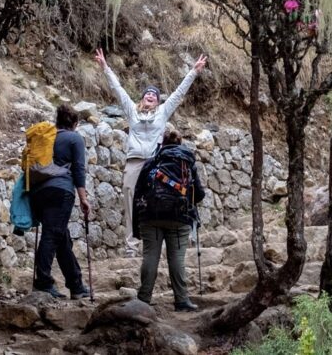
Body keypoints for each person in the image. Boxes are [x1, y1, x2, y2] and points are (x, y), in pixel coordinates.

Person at [95, 47, 207, 256]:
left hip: (156, 162)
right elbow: (118, 90)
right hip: (135, 161)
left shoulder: (163, 113)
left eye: (153, 95)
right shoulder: (132, 111)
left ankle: (157, 245)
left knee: (158, 199)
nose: (150, 95)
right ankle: (131, 245)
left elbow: (178, 94)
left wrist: (193, 72)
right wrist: (105, 67)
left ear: (157, 100)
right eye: (147, 93)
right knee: (129, 197)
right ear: (142, 98)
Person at [133, 131, 205, 311]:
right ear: (180, 144)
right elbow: (200, 194)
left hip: (151, 217)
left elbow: (138, 192)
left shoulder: (153, 161)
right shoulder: (187, 163)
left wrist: (136, 226)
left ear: (162, 144)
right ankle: (181, 300)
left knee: (150, 256)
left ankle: (143, 299)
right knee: (177, 259)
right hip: (179, 218)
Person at [30, 104, 91, 299]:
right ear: (75, 123)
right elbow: (78, 170)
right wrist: (83, 198)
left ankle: (76, 284)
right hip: (60, 191)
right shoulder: (74, 138)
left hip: (38, 191)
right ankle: (43, 282)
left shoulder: (47, 137)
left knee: (61, 237)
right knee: (52, 234)